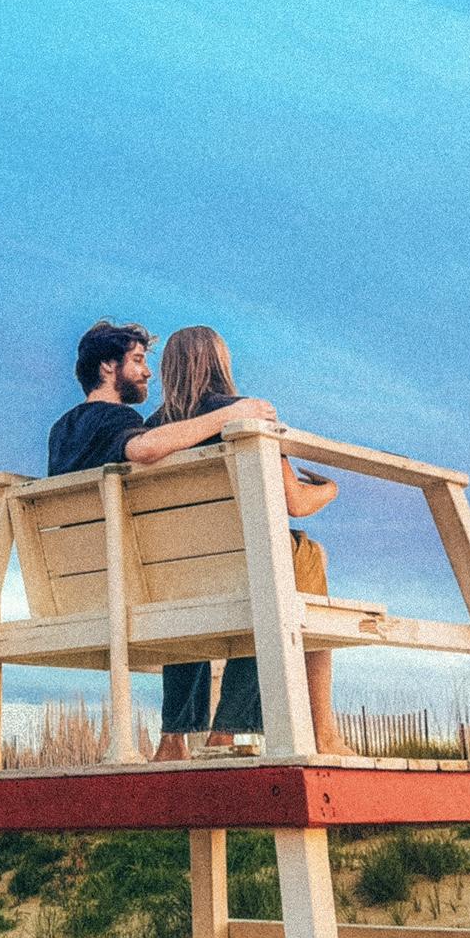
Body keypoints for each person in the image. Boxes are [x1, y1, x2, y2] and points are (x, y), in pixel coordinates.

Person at [146, 324, 352, 760]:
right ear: (222, 363)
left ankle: (172, 739)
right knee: (299, 565)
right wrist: (330, 489)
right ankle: (310, 732)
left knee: (193, 586)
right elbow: (294, 501)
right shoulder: (245, 414)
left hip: (179, 569)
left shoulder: (151, 432)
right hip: (250, 561)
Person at [46, 319, 276, 476]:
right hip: (114, 542)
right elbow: (144, 449)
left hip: (72, 546)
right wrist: (233, 413)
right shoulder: (115, 417)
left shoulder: (60, 430)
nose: (148, 372)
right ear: (107, 365)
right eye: (137, 360)